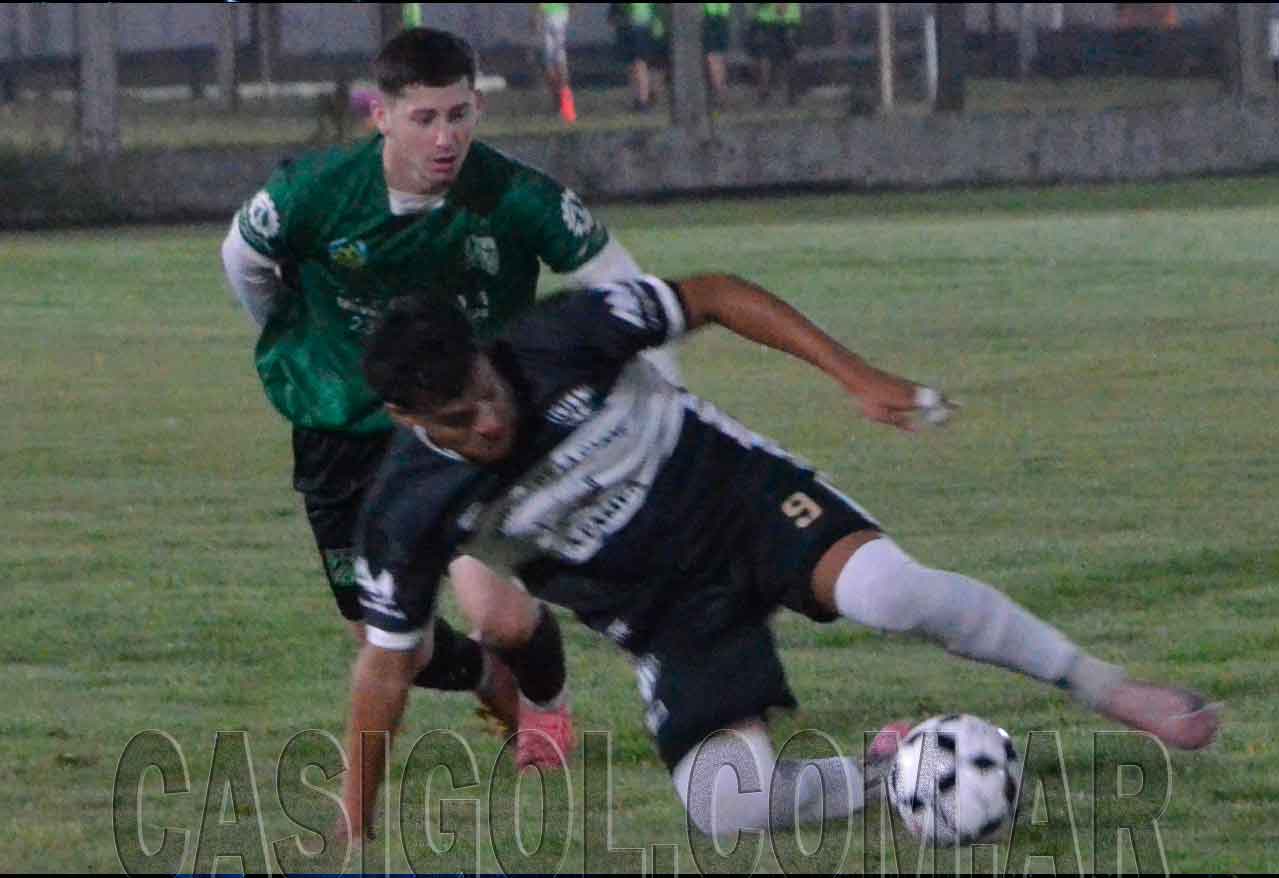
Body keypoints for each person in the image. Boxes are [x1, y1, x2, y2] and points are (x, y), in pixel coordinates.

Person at [337, 272, 1220, 841]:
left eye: (485, 392)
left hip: (737, 503)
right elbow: (382, 672)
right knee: (724, 805)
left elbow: (715, 295)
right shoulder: (406, 511)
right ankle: (889, 772)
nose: (489, 420)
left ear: (484, 354)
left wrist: (856, 376)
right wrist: (357, 821)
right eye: (458, 420)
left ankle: (1109, 689)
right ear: (406, 420)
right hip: (661, 610)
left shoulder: (560, 337)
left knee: (890, 593)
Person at [219, 27, 664, 769]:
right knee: (396, 644)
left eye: (458, 114)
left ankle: (547, 708)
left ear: (477, 108)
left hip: (470, 426)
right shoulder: (316, 192)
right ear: (381, 115)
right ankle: (491, 682)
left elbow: (623, 284)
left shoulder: (513, 194)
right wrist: (304, 340)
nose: (444, 137)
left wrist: (649, 382)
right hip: (342, 430)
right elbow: (242, 258)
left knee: (504, 618)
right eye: (424, 118)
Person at [748, 2, 802, 104]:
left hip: (781, 20)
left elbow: (781, 9)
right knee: (765, 57)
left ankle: (786, 93)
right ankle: (767, 92)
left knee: (781, 57)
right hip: (770, 21)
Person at [702, 3, 733, 107]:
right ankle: (721, 91)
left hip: (712, 19)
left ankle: (720, 92)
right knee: (719, 59)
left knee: (713, 59)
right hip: (722, 18)